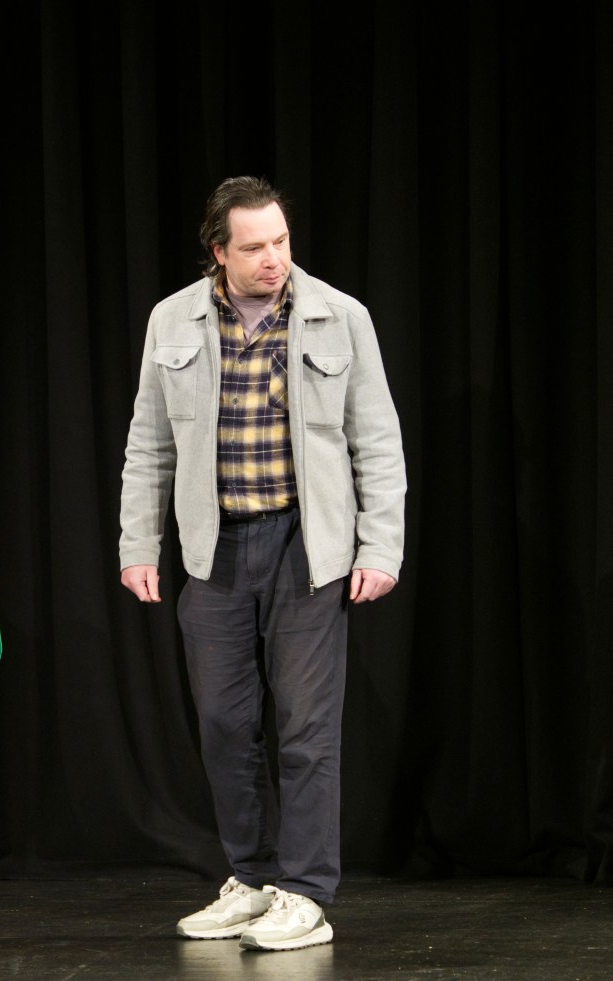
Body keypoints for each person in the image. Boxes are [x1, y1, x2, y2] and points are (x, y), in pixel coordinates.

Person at [119, 177, 405, 952]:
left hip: (305, 548)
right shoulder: (173, 319)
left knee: (306, 728)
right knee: (223, 725)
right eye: (254, 247)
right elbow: (149, 442)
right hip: (214, 549)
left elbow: (377, 440)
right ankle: (251, 878)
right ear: (219, 251)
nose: (273, 257)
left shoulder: (339, 316)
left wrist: (380, 546)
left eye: (280, 241)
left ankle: (305, 892)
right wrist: (138, 543)